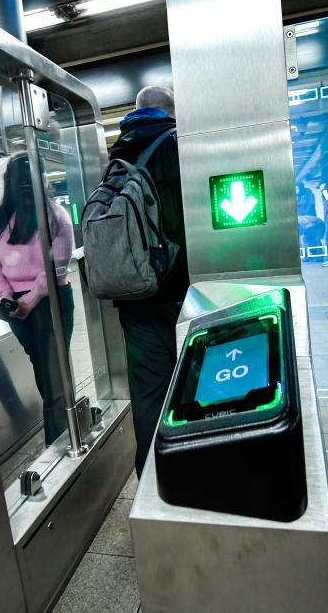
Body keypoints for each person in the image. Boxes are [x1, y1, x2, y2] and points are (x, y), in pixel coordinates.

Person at [110, 85, 189, 474]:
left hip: (133, 295)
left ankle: (151, 479)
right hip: (178, 291)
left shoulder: (117, 152)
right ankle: (193, 469)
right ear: (171, 111)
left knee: (147, 392)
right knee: (193, 385)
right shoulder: (178, 144)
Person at [0, 152, 75, 446]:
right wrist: (31, 299)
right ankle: (62, 433)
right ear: (42, 179)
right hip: (51, 302)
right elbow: (57, 265)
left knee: (43, 365)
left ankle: (59, 430)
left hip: (15, 307)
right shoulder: (56, 218)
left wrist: (9, 298)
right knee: (54, 366)